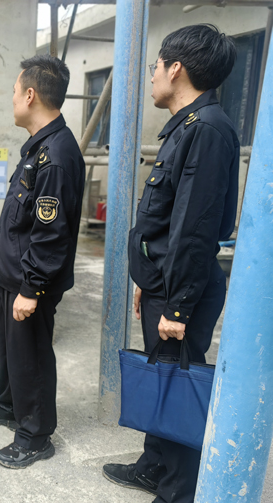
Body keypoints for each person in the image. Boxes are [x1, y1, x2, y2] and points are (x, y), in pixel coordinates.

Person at [102, 24, 238, 503]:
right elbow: (166, 225)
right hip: (166, 283)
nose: (153, 75)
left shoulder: (206, 131)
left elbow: (195, 229)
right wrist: (149, 278)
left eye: (155, 66)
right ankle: (153, 468)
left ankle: (177, 492)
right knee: (163, 377)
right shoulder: (186, 126)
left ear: (175, 68)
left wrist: (177, 306)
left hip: (183, 291)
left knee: (177, 385)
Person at [0, 55, 85, 469]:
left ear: (31, 94)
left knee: (31, 358)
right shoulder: (37, 148)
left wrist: (32, 288)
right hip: (10, 274)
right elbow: (20, 219)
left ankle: (35, 435)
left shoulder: (56, 155)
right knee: (9, 353)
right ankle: (9, 405)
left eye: (15, 91)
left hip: (29, 283)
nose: (12, 98)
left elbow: (51, 235)